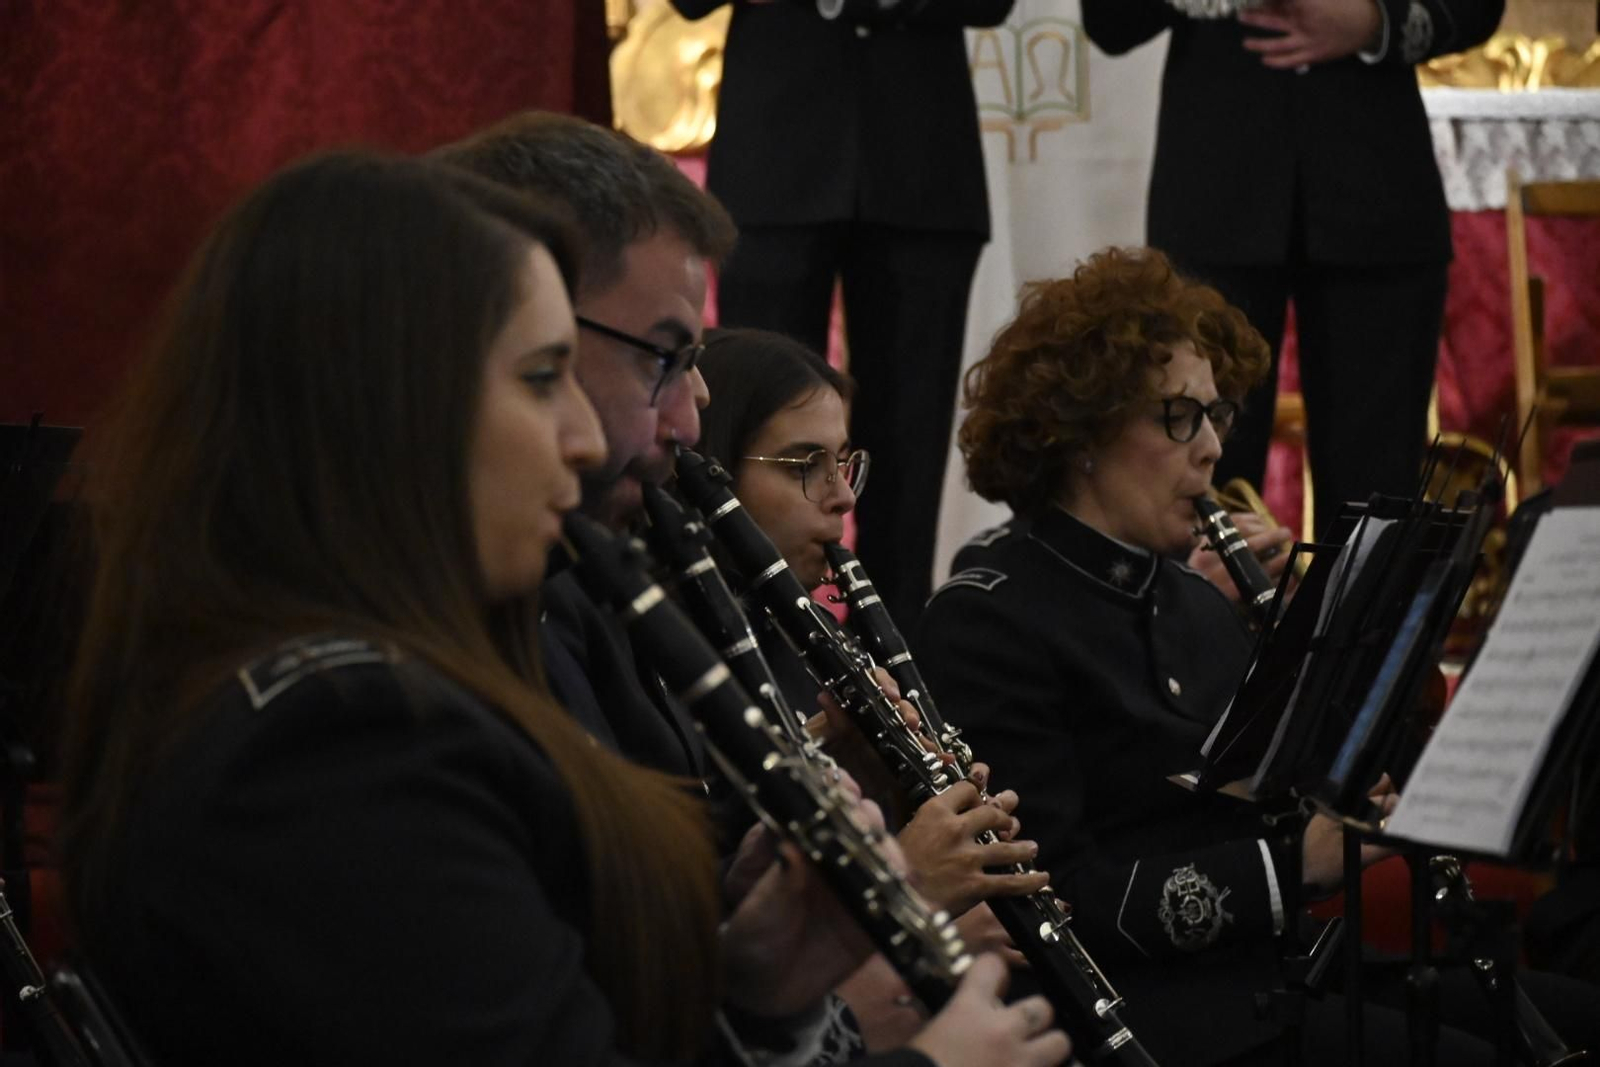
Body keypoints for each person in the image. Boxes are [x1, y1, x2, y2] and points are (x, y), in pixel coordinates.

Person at [54, 151, 1067, 1067]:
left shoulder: (388, 692)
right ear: (388, 401)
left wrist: (760, 994)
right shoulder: (340, 739)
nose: (584, 439)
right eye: (542, 379)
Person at [911, 247, 1600, 1066]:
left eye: (1216, 415)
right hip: (1154, 1016)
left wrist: (1335, 796)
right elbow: (1056, 897)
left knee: (1579, 1015)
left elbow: (1237, 806)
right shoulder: (989, 620)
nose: (1210, 450)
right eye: (1178, 416)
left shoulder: (1195, 602)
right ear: (1082, 431)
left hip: (1270, 972)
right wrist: (1287, 866)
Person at [694, 326, 1049, 1049]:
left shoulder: (798, 645)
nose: (840, 501)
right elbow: (710, 932)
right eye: (803, 464)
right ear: (713, 472)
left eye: (844, 465)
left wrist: (880, 790)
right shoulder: (677, 659)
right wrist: (915, 887)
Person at [1080, 0, 1504, 534]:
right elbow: (1109, 21)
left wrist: (1374, 23)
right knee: (1200, 470)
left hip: (1378, 196)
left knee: (1376, 488)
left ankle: (1359, 619)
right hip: (1214, 199)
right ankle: (1206, 618)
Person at [672, 0, 1015, 628]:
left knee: (910, 445)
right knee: (755, 423)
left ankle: (900, 665)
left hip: (923, 163)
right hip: (775, 156)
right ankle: (752, 635)